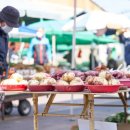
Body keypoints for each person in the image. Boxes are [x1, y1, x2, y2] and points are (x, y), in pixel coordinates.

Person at [0, 6, 19, 108]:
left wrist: (6, 67)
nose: (10, 28)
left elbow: (3, 54)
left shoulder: (5, 34)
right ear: (2, 20)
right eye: (10, 25)